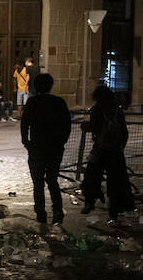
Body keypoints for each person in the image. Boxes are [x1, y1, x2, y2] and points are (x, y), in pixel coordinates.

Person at [20, 73, 72, 227]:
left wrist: (26, 142)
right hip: (54, 147)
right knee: (52, 180)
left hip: (37, 147)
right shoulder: (59, 102)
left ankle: (41, 213)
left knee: (38, 183)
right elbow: (66, 125)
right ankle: (57, 211)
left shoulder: (32, 102)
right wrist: (61, 141)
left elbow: (24, 124)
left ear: (36, 86)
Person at [80, 84, 135, 222]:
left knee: (91, 175)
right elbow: (124, 131)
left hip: (100, 149)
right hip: (116, 151)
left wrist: (84, 126)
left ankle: (90, 201)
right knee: (117, 180)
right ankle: (115, 210)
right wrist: (120, 146)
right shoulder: (118, 110)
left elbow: (93, 127)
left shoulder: (97, 109)